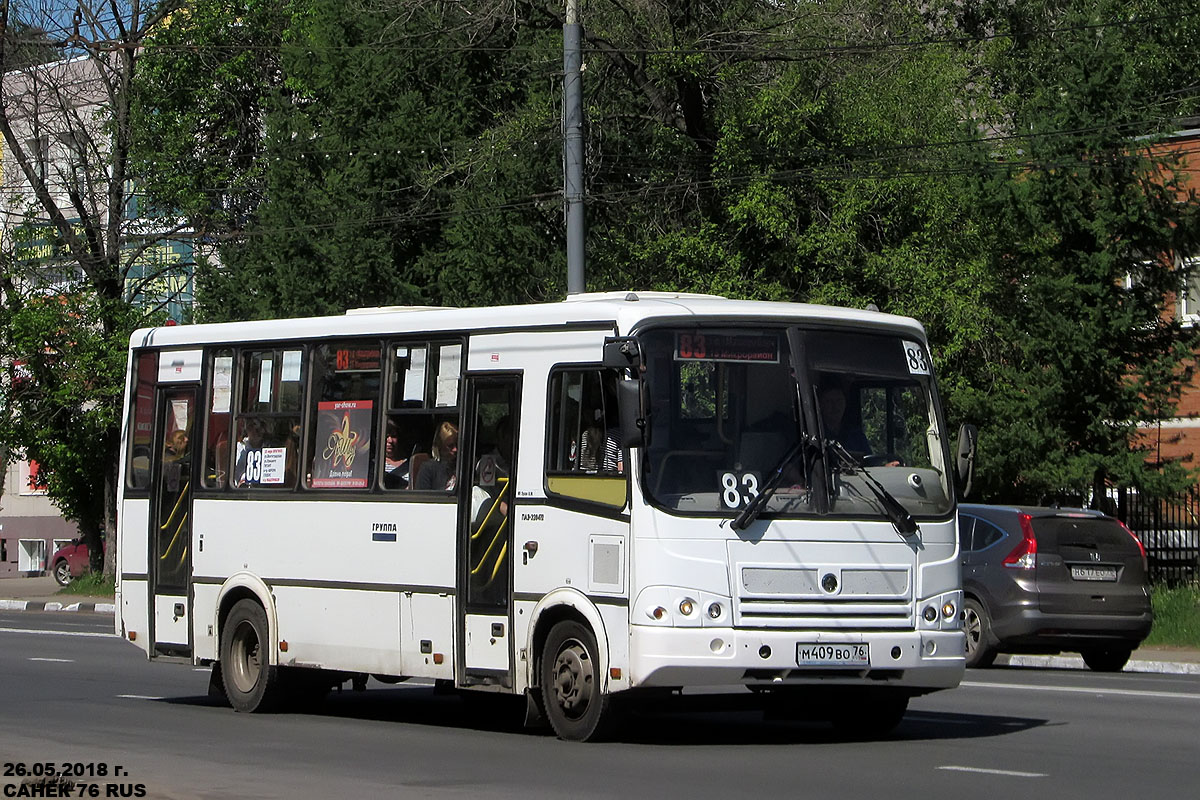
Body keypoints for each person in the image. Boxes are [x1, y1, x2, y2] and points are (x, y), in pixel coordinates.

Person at [415, 421, 458, 491]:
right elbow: (422, 498)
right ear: (440, 445)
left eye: (457, 444)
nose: (455, 449)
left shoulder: (462, 466)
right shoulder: (427, 468)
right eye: (450, 446)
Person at [383, 421, 409, 489]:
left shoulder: (410, 464)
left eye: (394, 436)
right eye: (386, 436)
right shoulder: (375, 466)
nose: (390, 440)